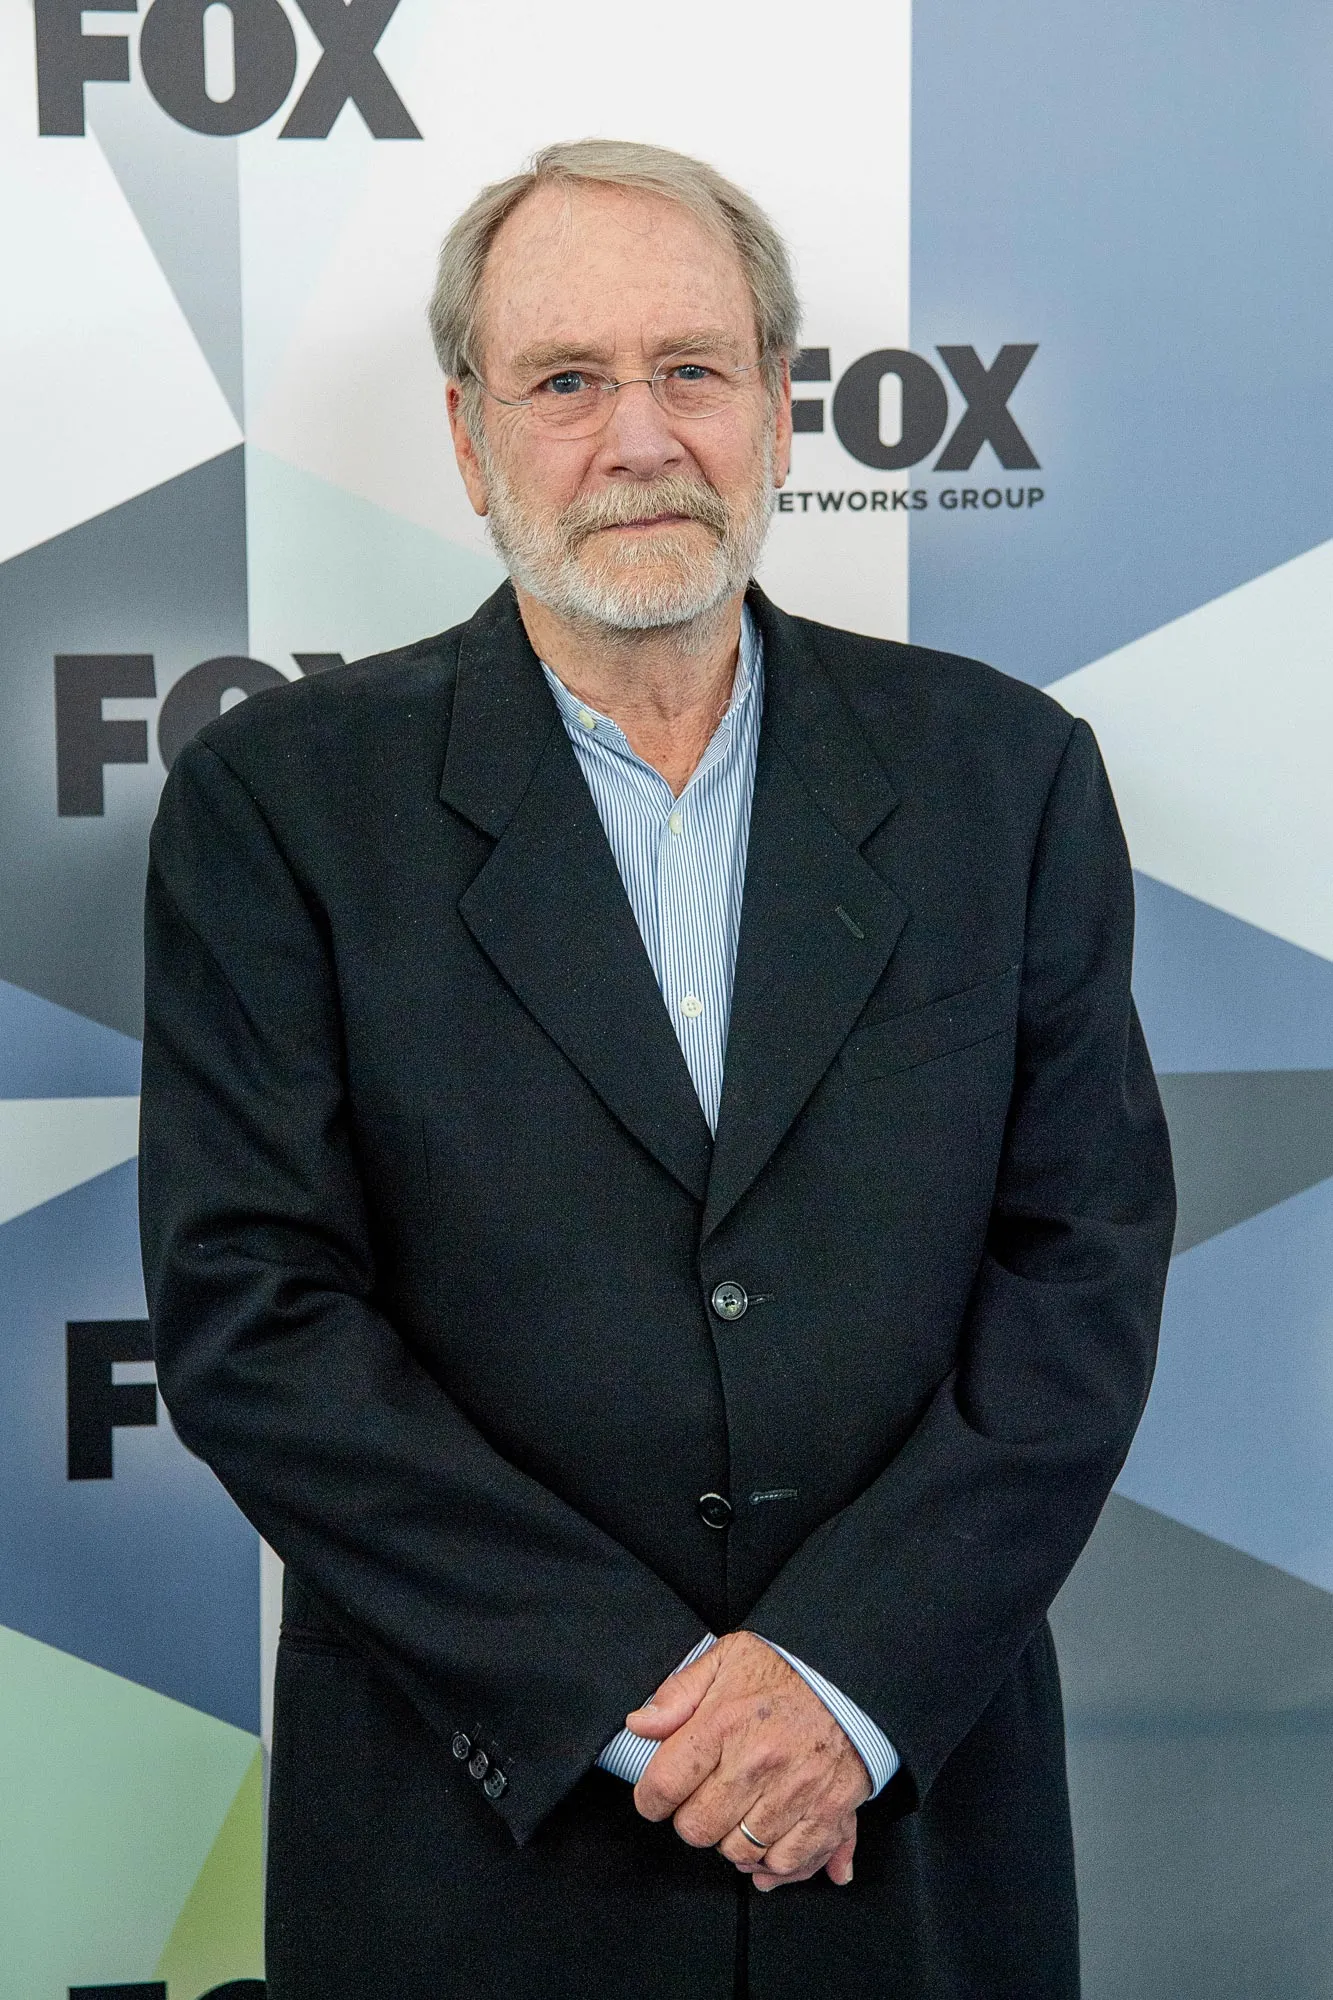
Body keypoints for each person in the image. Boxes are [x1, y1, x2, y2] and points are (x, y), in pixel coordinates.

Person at [138, 139, 1175, 1999]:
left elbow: (1078, 1267)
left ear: (777, 405)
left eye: (691, 368)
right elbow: (255, 1314)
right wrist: (649, 1703)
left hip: (899, 1827)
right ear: (471, 439)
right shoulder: (281, 805)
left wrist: (839, 1685)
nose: (639, 438)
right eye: (565, 380)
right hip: (479, 1839)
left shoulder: (1004, 777)